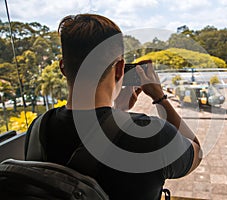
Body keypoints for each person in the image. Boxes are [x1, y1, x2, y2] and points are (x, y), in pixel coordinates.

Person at [25, 14, 202, 200]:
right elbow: (196, 153)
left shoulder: (38, 129)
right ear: (119, 69)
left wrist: (118, 111)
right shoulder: (150, 135)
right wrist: (160, 98)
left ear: (63, 67)